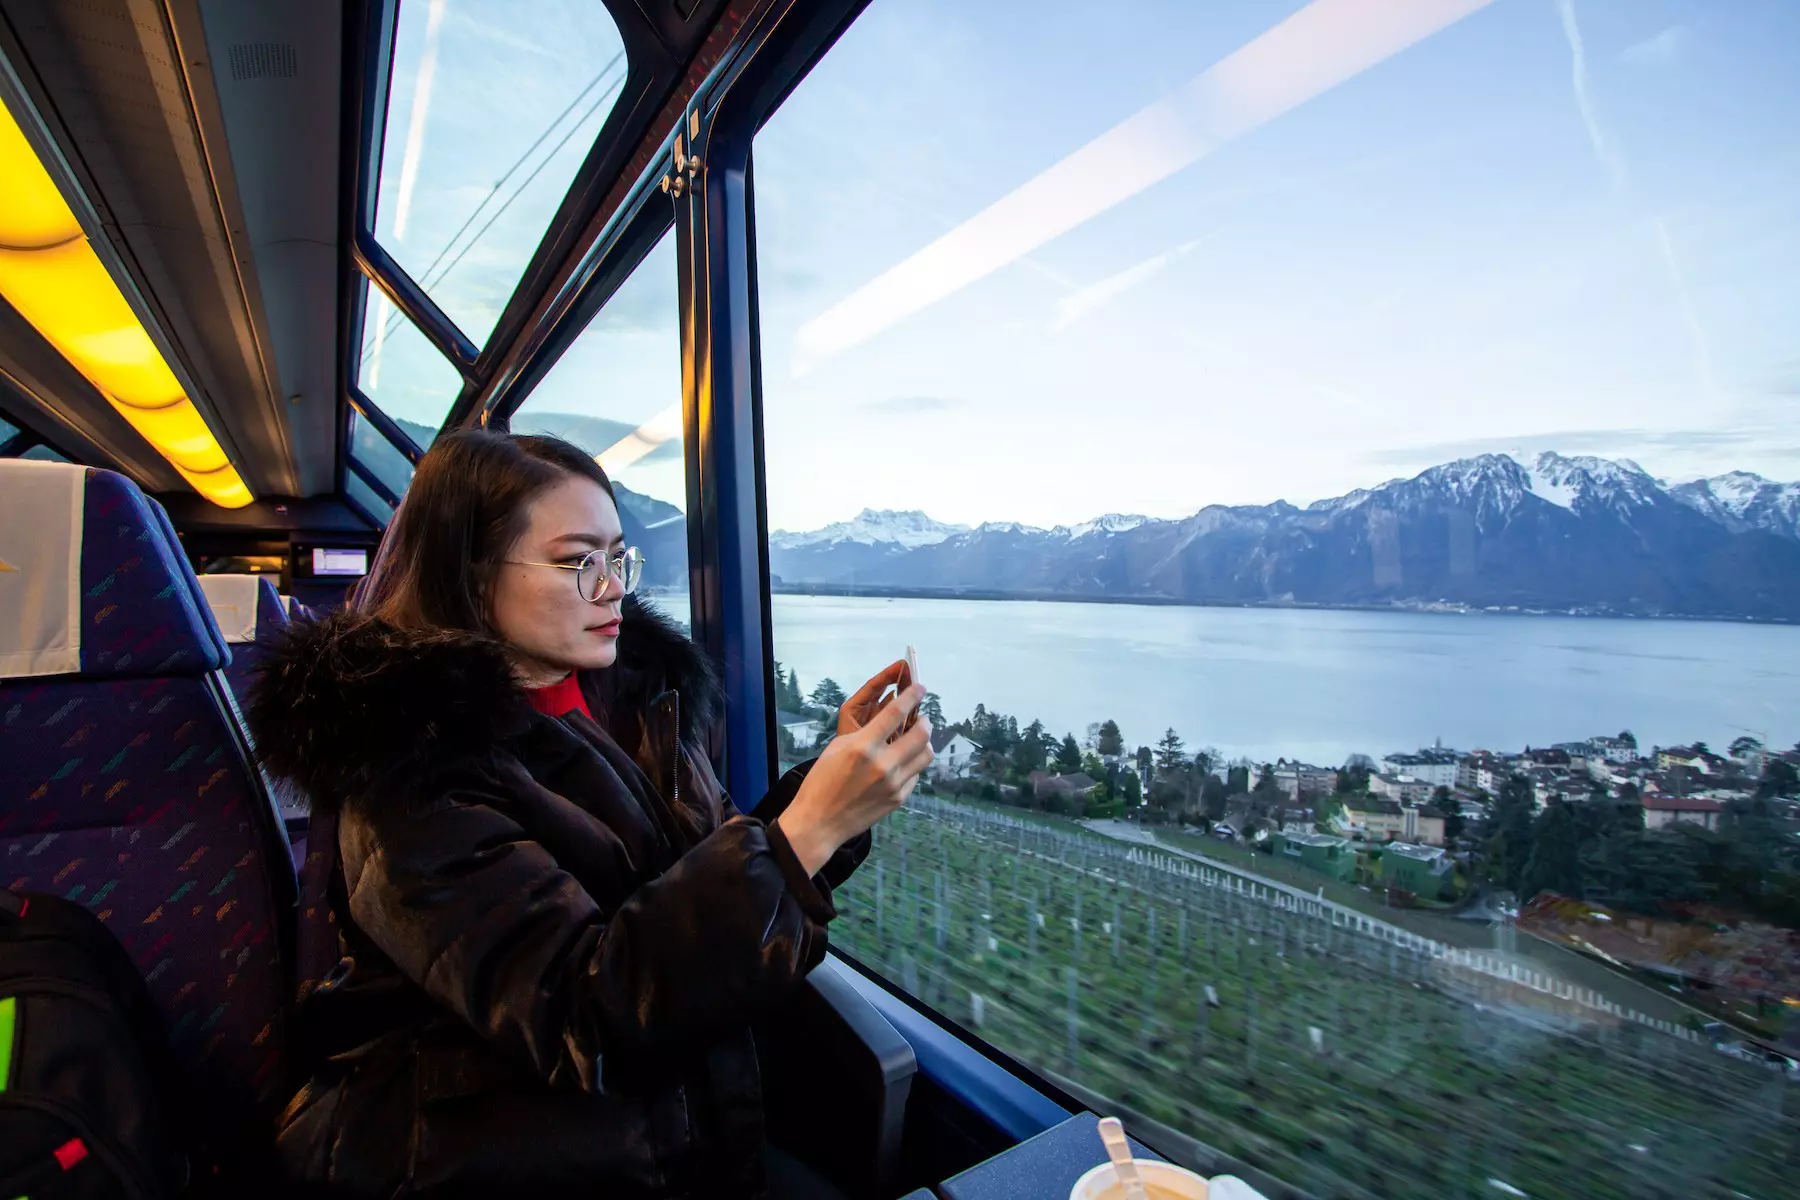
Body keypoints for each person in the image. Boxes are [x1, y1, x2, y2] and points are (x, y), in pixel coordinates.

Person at [248, 429, 931, 1198]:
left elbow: (699, 880)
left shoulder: (626, 698)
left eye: (618, 559)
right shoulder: (407, 775)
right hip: (509, 1158)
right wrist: (814, 829)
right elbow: (589, 1019)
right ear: (472, 575)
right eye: (578, 562)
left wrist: (825, 796)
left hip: (680, 1128)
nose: (611, 588)